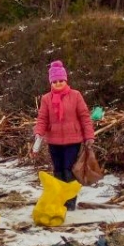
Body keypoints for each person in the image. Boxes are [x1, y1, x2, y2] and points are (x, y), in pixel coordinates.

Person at [32, 60, 95, 210]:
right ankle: (60, 199)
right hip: (54, 140)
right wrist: (38, 133)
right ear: (51, 82)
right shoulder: (46, 99)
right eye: (55, 81)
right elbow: (42, 119)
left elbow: (84, 116)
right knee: (58, 171)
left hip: (73, 140)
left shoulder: (75, 95)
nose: (58, 84)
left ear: (65, 80)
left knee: (68, 170)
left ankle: (70, 202)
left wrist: (89, 136)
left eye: (61, 80)